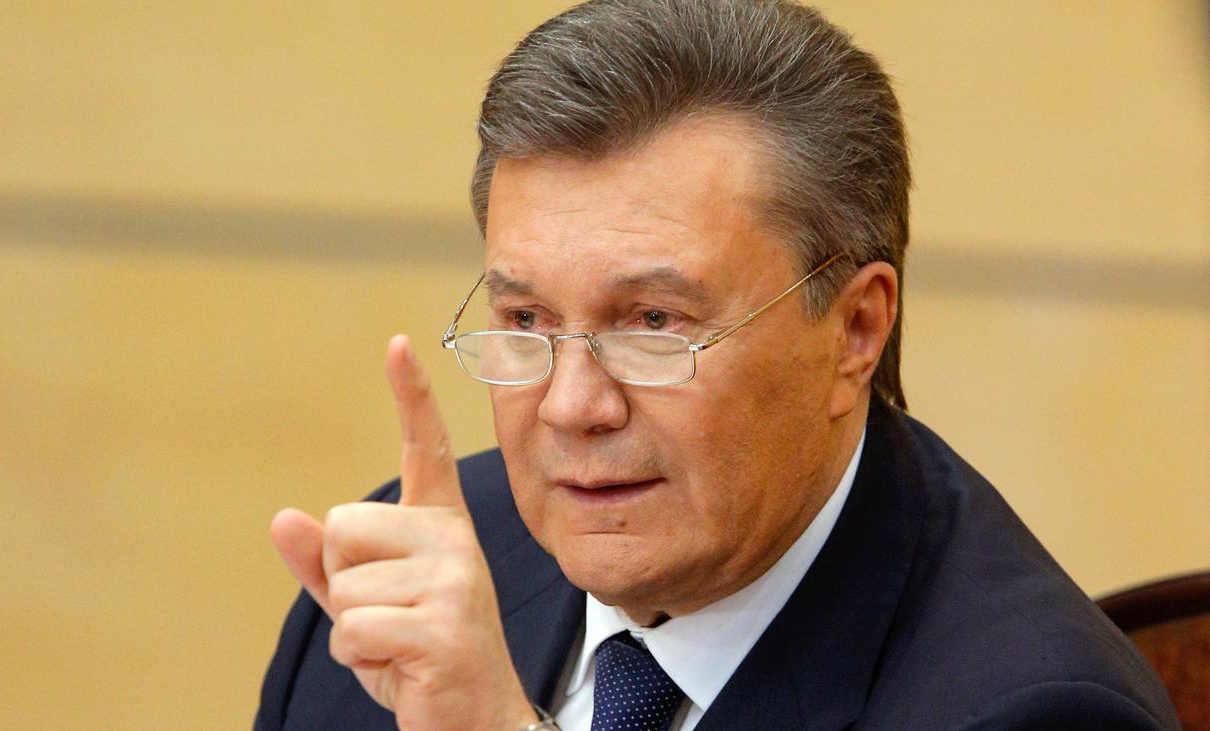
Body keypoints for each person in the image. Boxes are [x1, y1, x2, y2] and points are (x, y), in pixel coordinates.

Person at [256, 1, 1179, 729]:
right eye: (527, 319)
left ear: (855, 330)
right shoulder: (405, 598)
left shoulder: (1032, 706)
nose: (572, 405)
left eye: (653, 322)